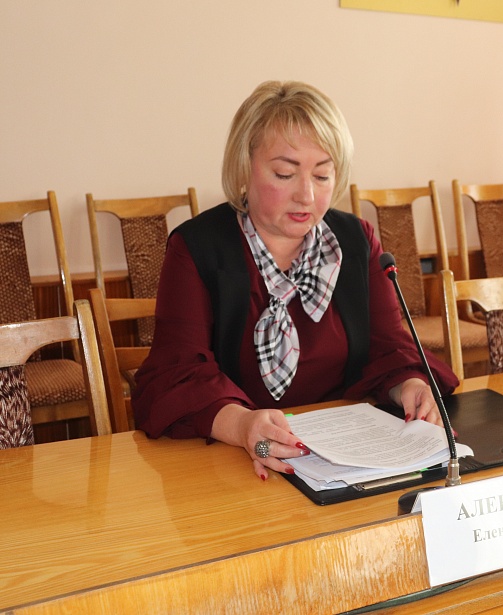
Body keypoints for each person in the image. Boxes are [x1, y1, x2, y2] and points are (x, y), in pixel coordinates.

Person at [133, 80, 458, 480]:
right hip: (232, 467)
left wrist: (409, 386)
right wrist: (243, 426)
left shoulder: (354, 242)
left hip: (349, 460)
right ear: (243, 169)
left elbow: (390, 348)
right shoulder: (198, 248)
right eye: (285, 173)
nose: (306, 195)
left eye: (322, 176)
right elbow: (177, 376)